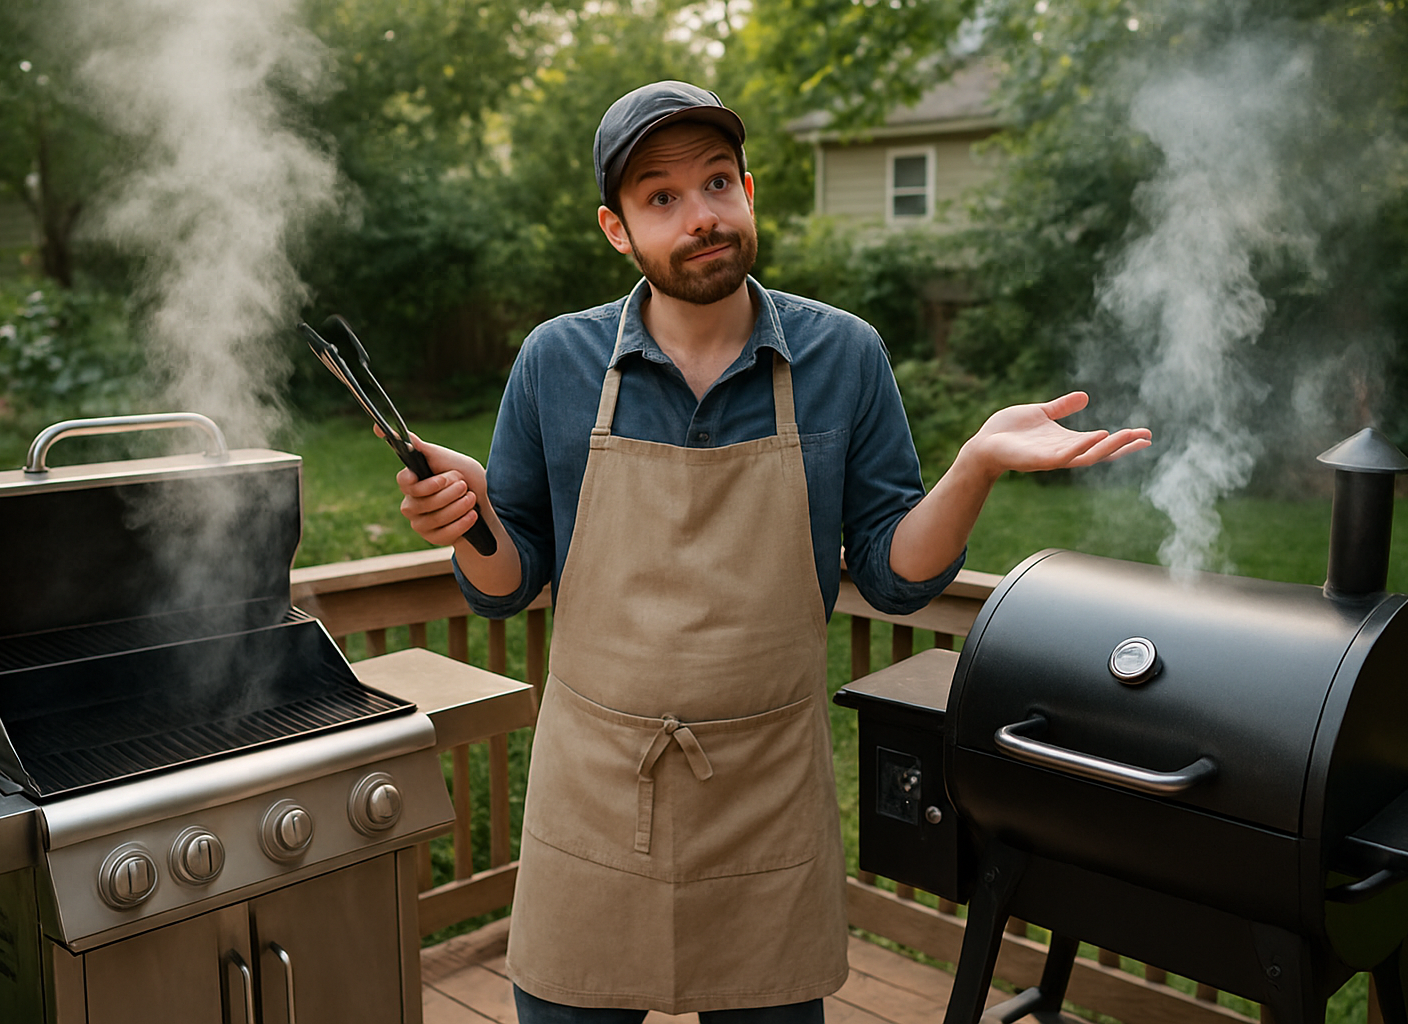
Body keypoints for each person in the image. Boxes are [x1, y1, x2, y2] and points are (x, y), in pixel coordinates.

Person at [396, 81, 1151, 1024]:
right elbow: (510, 586)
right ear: (616, 228)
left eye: (717, 183)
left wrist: (975, 467)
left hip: (767, 799)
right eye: (661, 197)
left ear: (749, 190)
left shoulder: (845, 356)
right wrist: (470, 517)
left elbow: (891, 574)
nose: (701, 215)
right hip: (595, 796)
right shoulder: (557, 362)